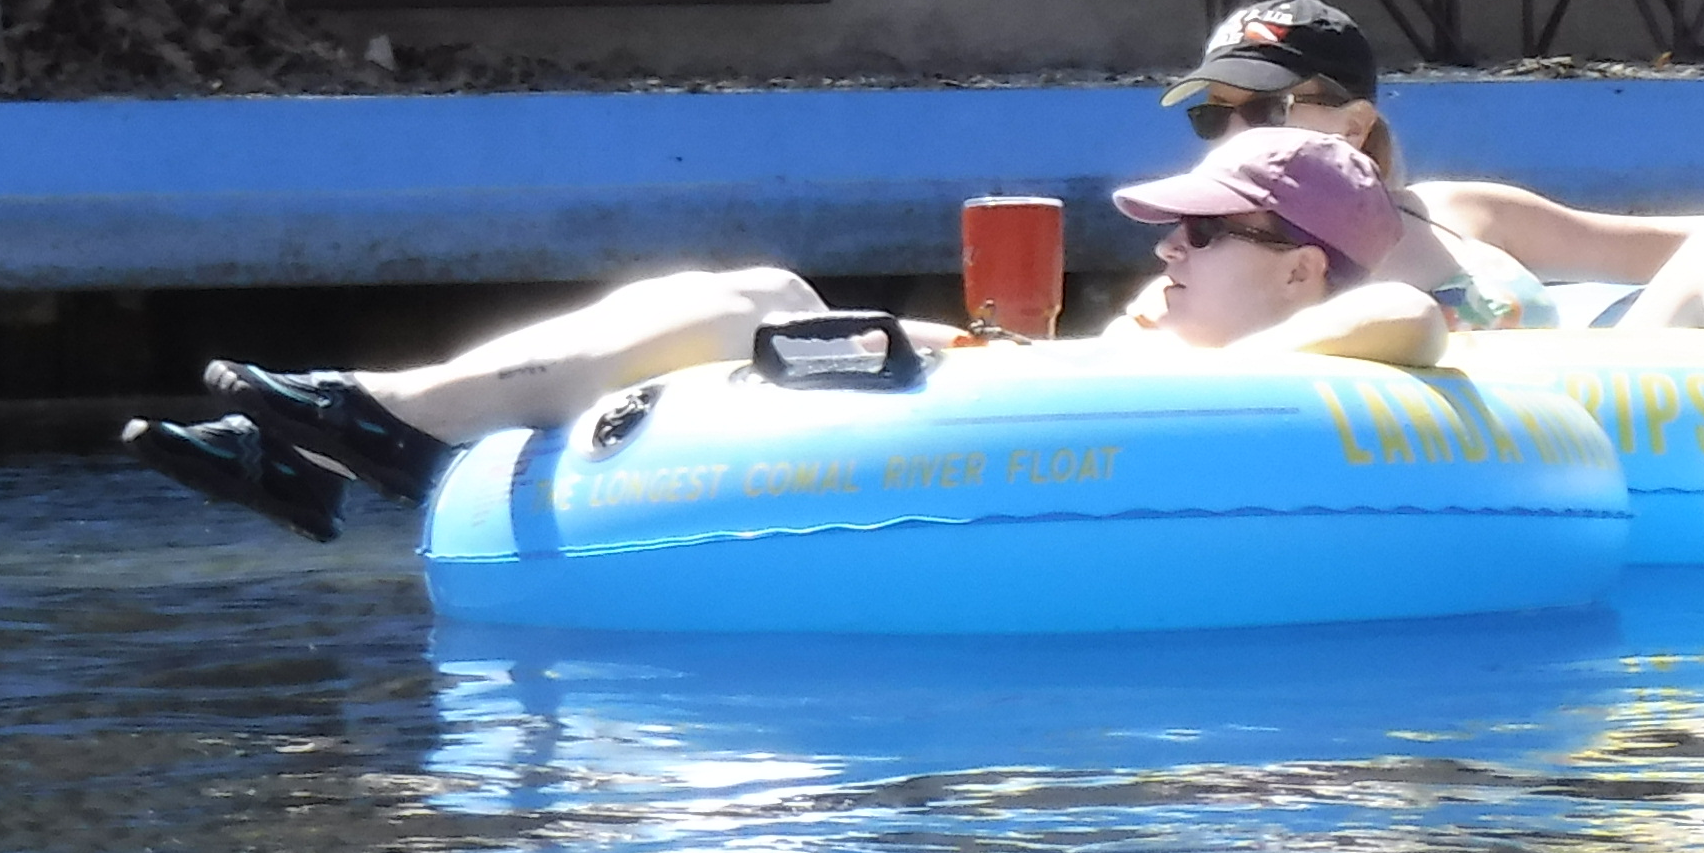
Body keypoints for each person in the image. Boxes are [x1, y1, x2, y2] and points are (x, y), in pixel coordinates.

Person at [124, 130, 1441, 545]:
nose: (1167, 251)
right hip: (958, 395)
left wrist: (1162, 363)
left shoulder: (1360, 321)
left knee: (747, 304)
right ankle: (365, 433)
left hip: (1004, 439)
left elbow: (1405, 316)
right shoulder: (1188, 328)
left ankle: (375, 432)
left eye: (1201, 236)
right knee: (753, 287)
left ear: (1297, 268)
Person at [1158, 0, 1704, 332]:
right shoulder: (1219, 255)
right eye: (1214, 114)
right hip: (1443, 480)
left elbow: (1652, 249)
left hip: (1583, 431)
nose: (1232, 134)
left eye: (1267, 110)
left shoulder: (1455, 211)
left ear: (1354, 125)